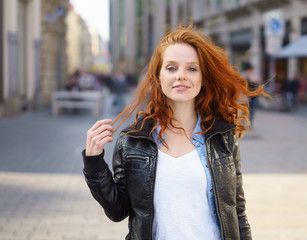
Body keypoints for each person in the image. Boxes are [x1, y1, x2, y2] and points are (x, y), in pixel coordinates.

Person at [82, 24, 266, 240]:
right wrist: (94, 164)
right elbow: (117, 210)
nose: (181, 75)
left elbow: (237, 213)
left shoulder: (223, 137)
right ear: (158, 76)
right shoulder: (132, 141)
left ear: (202, 78)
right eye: (171, 68)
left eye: (192, 68)